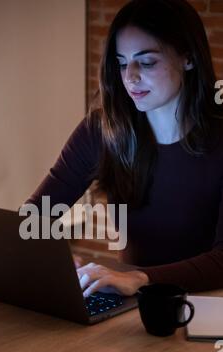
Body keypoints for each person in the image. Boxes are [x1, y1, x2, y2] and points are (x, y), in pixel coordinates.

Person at [25, 0, 223, 298]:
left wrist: (142, 279)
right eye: (121, 62)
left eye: (146, 62)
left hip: (208, 306)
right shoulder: (102, 129)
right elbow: (35, 218)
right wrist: (49, 255)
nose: (129, 77)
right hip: (134, 302)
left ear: (188, 57)